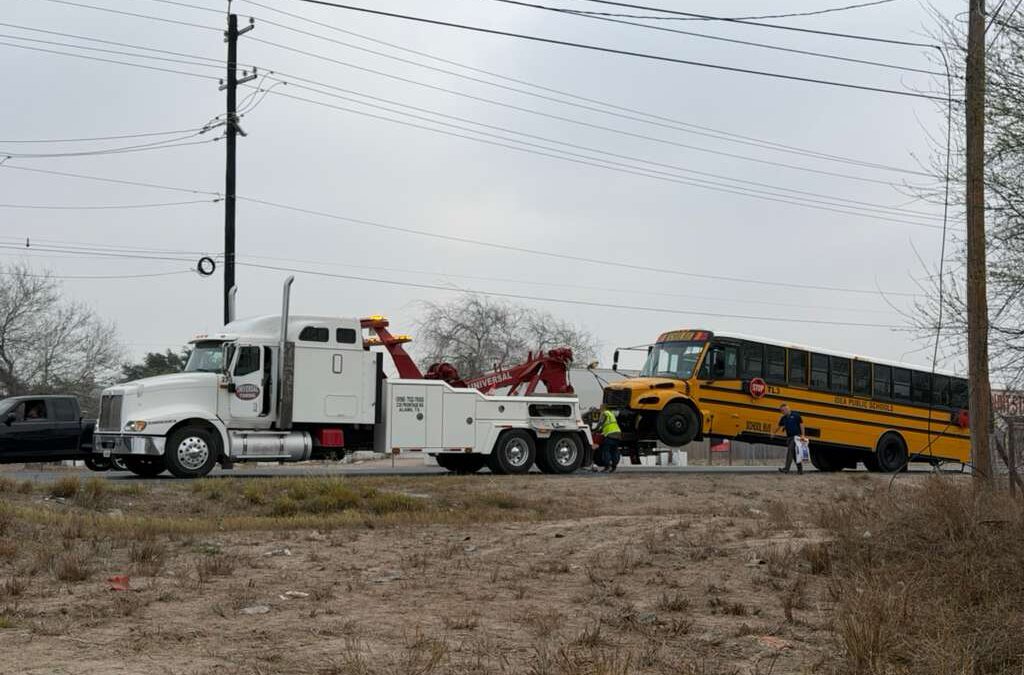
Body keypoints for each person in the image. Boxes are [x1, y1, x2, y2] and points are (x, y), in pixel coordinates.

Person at [774, 403, 806, 475]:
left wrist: (803, 435)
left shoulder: (796, 416)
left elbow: (801, 425)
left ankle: (786, 469)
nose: (783, 412)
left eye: (784, 410)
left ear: (788, 409)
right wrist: (773, 433)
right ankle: (800, 470)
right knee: (794, 454)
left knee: (790, 450)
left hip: (797, 437)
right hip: (789, 438)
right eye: (781, 411)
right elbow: (779, 426)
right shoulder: (784, 418)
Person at [588, 406, 622, 473]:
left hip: (610, 435)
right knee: (614, 450)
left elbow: (600, 424)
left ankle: (607, 467)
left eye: (600, 408)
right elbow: (607, 425)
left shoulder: (604, 413)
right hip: (618, 434)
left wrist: (594, 431)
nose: (599, 410)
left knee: (605, 450)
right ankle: (614, 467)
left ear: (603, 408)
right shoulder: (611, 414)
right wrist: (600, 430)